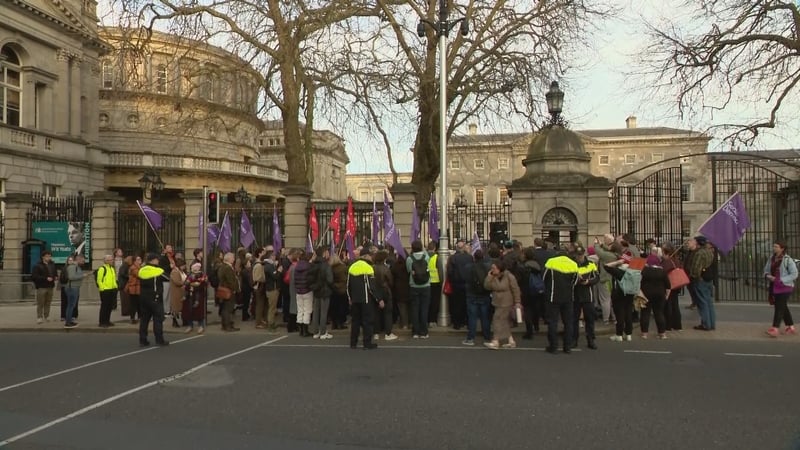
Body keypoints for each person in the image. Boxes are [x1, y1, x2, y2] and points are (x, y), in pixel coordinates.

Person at [543, 249, 580, 353]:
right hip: (568, 297)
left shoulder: (551, 262)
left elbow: (544, 277)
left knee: (553, 322)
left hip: (553, 296)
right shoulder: (573, 264)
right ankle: (567, 347)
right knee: (568, 323)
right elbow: (575, 281)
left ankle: (553, 346)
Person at [347, 248, 383, 350]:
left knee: (355, 322)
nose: (372, 257)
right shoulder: (369, 268)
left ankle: (353, 343)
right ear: (367, 256)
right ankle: (367, 344)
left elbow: (348, 286)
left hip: (355, 300)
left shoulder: (352, 267)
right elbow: (371, 287)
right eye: (370, 255)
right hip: (366, 300)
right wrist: (379, 299)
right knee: (367, 322)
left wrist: (350, 298)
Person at [763, 240, 798, 337]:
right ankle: (790, 327)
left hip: (785, 286)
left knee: (779, 307)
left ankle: (775, 328)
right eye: (774, 246)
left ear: (782, 249)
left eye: (776, 246)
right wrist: (767, 275)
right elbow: (765, 270)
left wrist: (782, 280)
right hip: (775, 286)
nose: (774, 248)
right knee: (782, 307)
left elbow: (794, 274)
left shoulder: (787, 260)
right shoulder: (771, 258)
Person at [484, 259, 521, 349]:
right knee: (504, 322)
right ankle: (511, 341)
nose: (492, 269)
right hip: (497, 301)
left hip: (506, 302)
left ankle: (495, 341)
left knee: (497, 320)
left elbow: (515, 289)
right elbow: (486, 286)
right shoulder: (493, 276)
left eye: (494, 268)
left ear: (500, 268)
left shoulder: (509, 276)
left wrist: (517, 302)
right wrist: (489, 277)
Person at [137, 253, 169, 347]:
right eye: (157, 259)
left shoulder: (141, 270)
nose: (158, 261)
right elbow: (167, 277)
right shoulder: (158, 270)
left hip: (143, 298)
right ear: (153, 260)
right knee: (157, 320)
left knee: (144, 320)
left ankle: (143, 340)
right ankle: (159, 340)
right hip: (155, 298)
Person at [685, 236, 716, 331]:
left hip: (700, 280)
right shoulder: (709, 251)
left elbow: (696, 269)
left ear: (698, 243)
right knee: (709, 302)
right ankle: (711, 323)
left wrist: (693, 276)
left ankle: (706, 324)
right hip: (708, 279)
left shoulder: (699, 253)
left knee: (702, 303)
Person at [463, 249, 492, 346]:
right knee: (485, 317)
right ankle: (487, 337)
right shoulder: (488, 267)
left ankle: (471, 338)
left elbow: (465, 278)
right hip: (484, 294)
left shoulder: (468, 267)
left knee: (472, 317)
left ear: (474, 257)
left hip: (472, 294)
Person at [572, 247, 600, 349]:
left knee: (590, 319)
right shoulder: (572, 265)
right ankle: (574, 340)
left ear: (584, 254)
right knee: (574, 319)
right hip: (575, 295)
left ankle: (591, 340)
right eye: (577, 255)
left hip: (588, 295)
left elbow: (597, 278)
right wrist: (576, 278)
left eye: (581, 255)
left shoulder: (591, 264)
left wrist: (588, 281)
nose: (579, 257)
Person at [639, 254, 671, 339]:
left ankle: (644, 333)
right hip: (659, 294)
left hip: (646, 294)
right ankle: (662, 333)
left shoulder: (644, 270)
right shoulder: (662, 271)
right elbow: (668, 285)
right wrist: (667, 296)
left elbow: (639, 282)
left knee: (645, 313)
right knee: (659, 313)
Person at [406, 240, 431, 339]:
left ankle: (415, 332)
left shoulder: (409, 259)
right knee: (424, 309)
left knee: (415, 309)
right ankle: (424, 332)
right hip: (426, 285)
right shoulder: (426, 257)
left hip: (414, 286)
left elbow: (409, 271)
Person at [309, 246, 334, 339]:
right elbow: (330, 280)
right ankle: (323, 332)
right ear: (324, 253)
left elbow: (310, 277)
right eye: (327, 252)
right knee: (324, 312)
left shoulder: (313, 264)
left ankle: (315, 331)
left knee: (316, 312)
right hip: (325, 290)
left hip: (316, 290)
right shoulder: (326, 265)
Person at [372, 250, 397, 341]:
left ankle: (376, 333)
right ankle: (388, 333)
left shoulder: (372, 268)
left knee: (376, 313)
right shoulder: (386, 269)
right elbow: (391, 281)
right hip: (385, 291)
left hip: (375, 291)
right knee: (388, 313)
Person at [660, 242, 683, 331]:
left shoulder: (667, 262)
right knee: (675, 305)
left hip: (669, 285)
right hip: (676, 285)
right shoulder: (676, 260)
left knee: (668, 306)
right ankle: (677, 325)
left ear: (666, 252)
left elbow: (663, 272)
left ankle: (668, 325)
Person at [31, 250, 57, 324]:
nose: (48, 258)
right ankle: (39, 317)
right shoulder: (37, 265)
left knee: (48, 302)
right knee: (40, 303)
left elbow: (55, 273)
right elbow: (34, 277)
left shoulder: (52, 265)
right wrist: (45, 278)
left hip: (50, 286)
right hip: (41, 287)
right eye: (47, 256)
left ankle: (47, 316)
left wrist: (55, 277)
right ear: (43, 257)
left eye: (49, 256)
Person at [217, 252, 241, 332]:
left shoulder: (224, 266)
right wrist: (235, 289)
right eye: (233, 258)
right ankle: (227, 326)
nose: (234, 259)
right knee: (228, 309)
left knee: (225, 308)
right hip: (228, 291)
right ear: (229, 259)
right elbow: (230, 281)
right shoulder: (227, 268)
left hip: (225, 290)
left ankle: (225, 325)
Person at [183, 262, 208, 334]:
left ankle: (201, 326)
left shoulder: (202, 274)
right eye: (195, 267)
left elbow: (204, 283)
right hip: (190, 295)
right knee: (189, 311)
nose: (196, 268)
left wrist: (199, 284)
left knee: (199, 311)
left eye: (197, 267)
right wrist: (191, 284)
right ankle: (190, 325)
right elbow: (186, 284)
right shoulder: (189, 275)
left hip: (199, 295)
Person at [96, 254, 118, 328]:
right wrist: (102, 289)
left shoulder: (111, 268)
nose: (112, 261)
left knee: (109, 306)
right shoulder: (102, 269)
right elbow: (99, 280)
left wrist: (115, 287)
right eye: (111, 260)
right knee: (104, 306)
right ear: (106, 261)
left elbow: (113, 279)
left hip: (112, 289)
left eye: (112, 259)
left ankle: (107, 321)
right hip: (105, 290)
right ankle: (102, 322)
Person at [63, 255, 84, 328]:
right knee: (71, 305)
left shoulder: (76, 267)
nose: (83, 261)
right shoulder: (72, 267)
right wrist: (82, 276)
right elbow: (71, 277)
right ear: (78, 259)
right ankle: (68, 322)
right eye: (82, 259)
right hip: (72, 288)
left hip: (74, 287)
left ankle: (69, 320)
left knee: (71, 305)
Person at [124, 256, 142, 324]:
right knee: (133, 304)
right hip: (133, 288)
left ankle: (140, 317)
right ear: (134, 261)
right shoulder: (133, 267)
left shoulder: (139, 267)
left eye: (140, 259)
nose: (140, 260)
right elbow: (139, 275)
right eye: (138, 259)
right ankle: (132, 318)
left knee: (139, 303)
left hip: (138, 288)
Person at [169, 258, 187, 328]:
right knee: (176, 307)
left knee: (182, 307)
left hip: (182, 291)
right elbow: (177, 282)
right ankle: (174, 321)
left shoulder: (181, 271)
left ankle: (184, 320)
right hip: (176, 292)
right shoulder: (175, 272)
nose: (184, 267)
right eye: (183, 265)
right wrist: (185, 283)